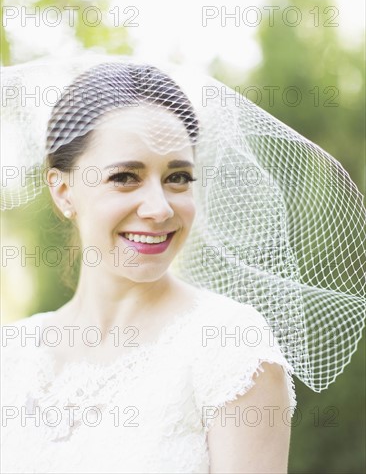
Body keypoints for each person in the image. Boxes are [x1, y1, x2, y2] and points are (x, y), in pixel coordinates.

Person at [1, 62, 296, 474]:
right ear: (64, 191)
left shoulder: (229, 347)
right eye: (125, 177)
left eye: (178, 177)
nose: (159, 208)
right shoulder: (12, 353)